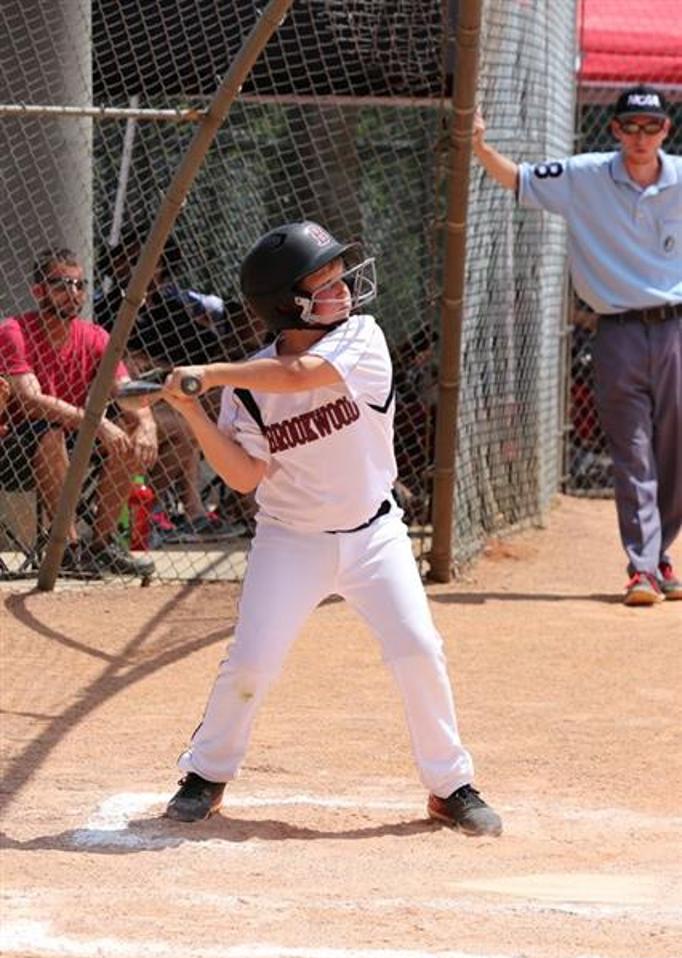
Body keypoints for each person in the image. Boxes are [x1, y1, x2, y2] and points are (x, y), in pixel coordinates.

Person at [159, 220, 502, 837]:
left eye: (340, 277)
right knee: (251, 663)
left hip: (375, 535)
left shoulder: (361, 338)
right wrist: (194, 410)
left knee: (418, 649)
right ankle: (205, 774)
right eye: (324, 283)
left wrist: (211, 373)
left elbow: (298, 375)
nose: (343, 289)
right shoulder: (247, 385)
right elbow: (244, 475)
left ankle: (450, 785)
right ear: (285, 304)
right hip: (290, 540)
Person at [472, 84, 682, 607]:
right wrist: (478, 147)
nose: (640, 137)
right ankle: (641, 568)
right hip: (617, 332)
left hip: (676, 329)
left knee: (676, 451)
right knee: (632, 450)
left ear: (666, 130)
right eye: (630, 127)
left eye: (650, 127)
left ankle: (659, 555)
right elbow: (519, 179)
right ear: (615, 130)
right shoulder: (585, 175)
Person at [0, 247, 157, 577]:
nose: (72, 293)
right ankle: (68, 549)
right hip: (15, 442)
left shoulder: (95, 336)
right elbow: (30, 400)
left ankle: (101, 545)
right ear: (38, 291)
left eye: (79, 285)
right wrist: (96, 423)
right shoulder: (14, 331)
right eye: (61, 285)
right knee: (50, 432)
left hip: (74, 435)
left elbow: (125, 390)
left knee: (129, 432)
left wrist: (146, 424)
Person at [94, 228, 251, 541]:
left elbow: (205, 354)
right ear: (117, 267)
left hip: (174, 392)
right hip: (129, 401)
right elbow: (113, 362)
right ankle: (181, 512)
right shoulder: (107, 309)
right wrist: (136, 361)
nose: (141, 269)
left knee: (228, 401)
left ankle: (177, 511)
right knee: (188, 426)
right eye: (130, 261)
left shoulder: (172, 310)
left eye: (152, 262)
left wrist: (161, 366)